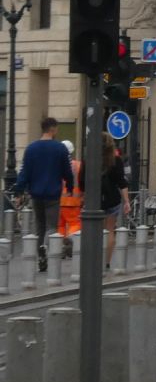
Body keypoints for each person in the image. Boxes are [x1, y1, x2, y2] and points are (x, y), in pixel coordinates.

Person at [11, 116, 75, 271]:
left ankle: (40, 254)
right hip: (53, 194)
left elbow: (24, 172)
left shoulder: (31, 148)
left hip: (36, 194)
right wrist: (70, 187)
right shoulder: (60, 148)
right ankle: (46, 247)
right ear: (53, 129)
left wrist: (19, 191)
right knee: (51, 227)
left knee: (39, 226)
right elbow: (67, 172)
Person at [99, 132, 131, 264]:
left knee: (97, 231)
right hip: (113, 199)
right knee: (110, 231)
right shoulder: (116, 160)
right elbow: (122, 183)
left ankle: (96, 259)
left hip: (96, 201)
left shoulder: (92, 158)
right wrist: (127, 201)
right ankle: (106, 262)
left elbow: (83, 181)